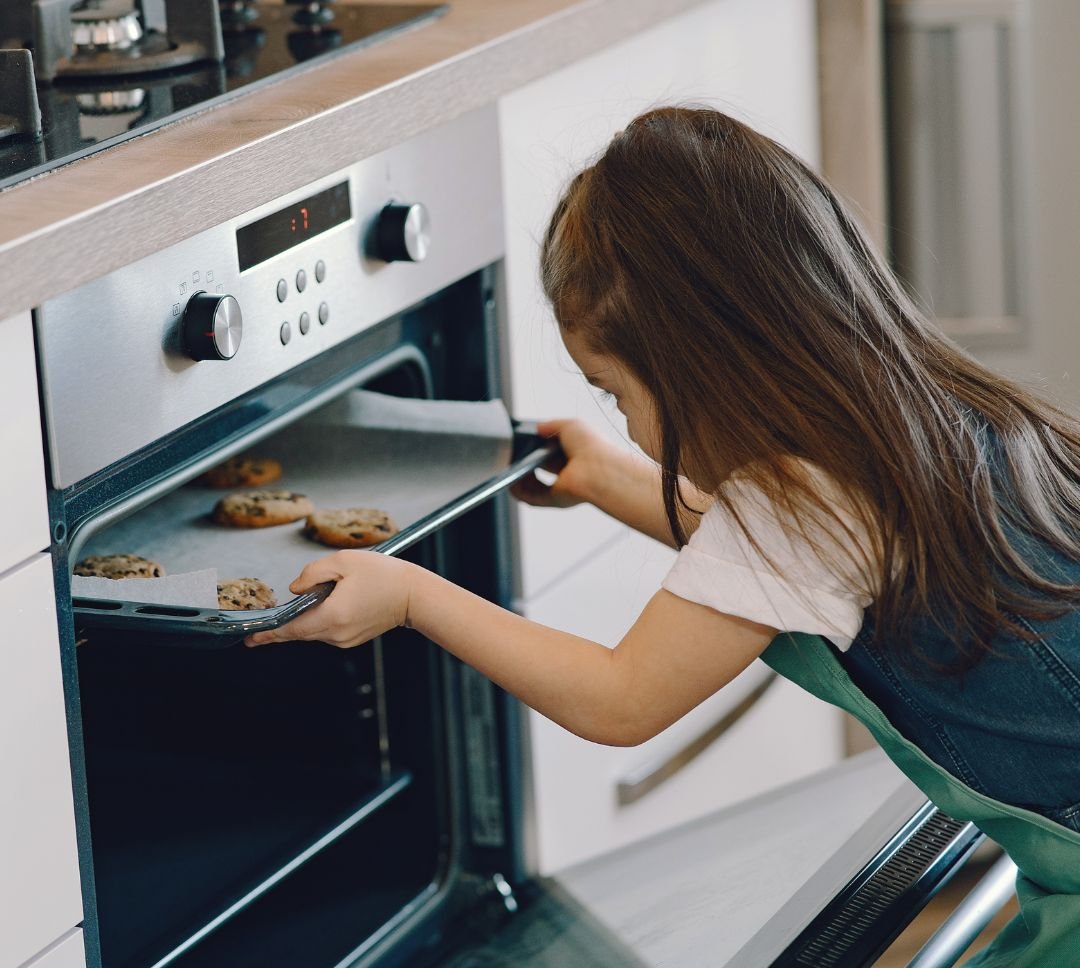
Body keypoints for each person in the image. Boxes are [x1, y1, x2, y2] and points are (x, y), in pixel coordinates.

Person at [247, 106, 1080, 965]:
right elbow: (764, 566)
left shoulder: (797, 503)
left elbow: (621, 700)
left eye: (615, 391)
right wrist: (607, 477)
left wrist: (414, 596)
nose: (633, 426)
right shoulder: (928, 416)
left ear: (703, 364)